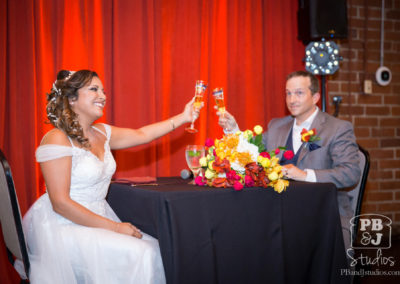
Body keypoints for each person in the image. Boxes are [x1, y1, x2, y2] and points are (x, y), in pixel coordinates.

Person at [18, 70, 200, 283]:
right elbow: (60, 203)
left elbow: (142, 134)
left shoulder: (102, 133)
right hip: (64, 225)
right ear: (71, 99)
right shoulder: (56, 138)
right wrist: (115, 227)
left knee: (156, 248)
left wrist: (183, 117)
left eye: (103, 90)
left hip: (99, 216)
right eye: (94, 89)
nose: (103, 96)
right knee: (143, 254)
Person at [217, 70, 361, 251]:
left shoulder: (337, 128)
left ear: (315, 97)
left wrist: (304, 175)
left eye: (299, 93)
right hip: (277, 214)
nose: (292, 100)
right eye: (288, 93)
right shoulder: (276, 126)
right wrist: (233, 130)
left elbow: (350, 173)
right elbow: (252, 153)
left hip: (323, 214)